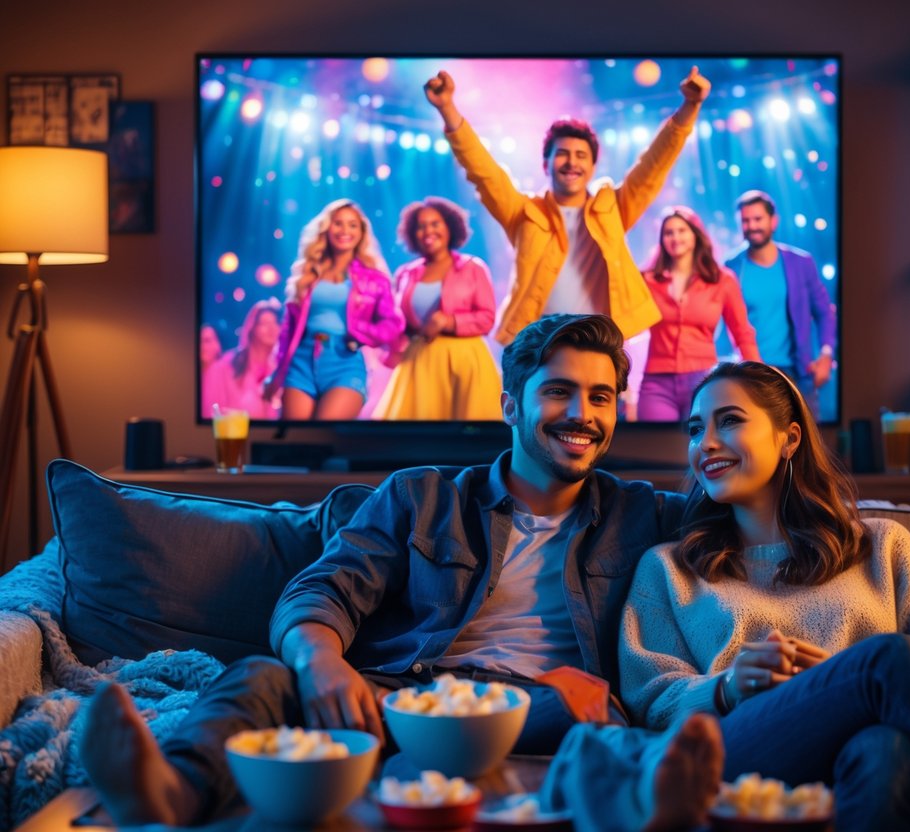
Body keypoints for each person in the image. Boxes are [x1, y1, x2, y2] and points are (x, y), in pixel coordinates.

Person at [79, 313, 721, 831]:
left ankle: (647, 809)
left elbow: (763, 521)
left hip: (543, 708)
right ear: (510, 405)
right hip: (404, 700)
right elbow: (322, 588)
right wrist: (320, 662)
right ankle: (169, 794)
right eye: (558, 391)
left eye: (600, 397)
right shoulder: (422, 496)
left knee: (595, 714)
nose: (582, 412)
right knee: (264, 677)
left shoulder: (644, 513)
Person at [618, 361, 910, 832]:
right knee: (884, 659)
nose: (705, 443)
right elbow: (649, 701)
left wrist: (844, 687)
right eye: (695, 429)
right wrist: (728, 687)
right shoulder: (668, 568)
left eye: (729, 421)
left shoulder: (882, 546)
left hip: (866, 742)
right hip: (736, 748)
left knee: (884, 747)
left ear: (789, 438)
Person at [423, 65, 710, 346]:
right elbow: (483, 172)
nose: (572, 162)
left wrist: (690, 106)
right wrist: (447, 107)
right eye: (562, 154)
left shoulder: (613, 208)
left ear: (593, 165)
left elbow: (654, 166)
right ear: (545, 164)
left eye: (581, 155)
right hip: (539, 342)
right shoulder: (523, 212)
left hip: (599, 340)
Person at [264, 199, 403, 420]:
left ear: (361, 232)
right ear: (327, 228)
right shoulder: (308, 274)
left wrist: (360, 332)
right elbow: (288, 331)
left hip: (344, 361)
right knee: (298, 441)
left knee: (325, 434)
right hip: (301, 361)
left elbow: (392, 325)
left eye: (352, 224)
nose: (344, 230)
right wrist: (278, 373)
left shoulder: (375, 279)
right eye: (338, 223)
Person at [374, 196, 502, 421]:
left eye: (435, 224)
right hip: (419, 362)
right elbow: (397, 322)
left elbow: (487, 318)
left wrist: (448, 321)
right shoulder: (406, 274)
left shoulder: (473, 268)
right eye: (421, 226)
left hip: (466, 362)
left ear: (450, 227)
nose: (428, 231)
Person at [637, 205, 759, 422]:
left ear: (695, 234)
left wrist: (759, 380)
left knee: (698, 447)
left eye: (682, 230)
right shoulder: (647, 280)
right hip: (656, 383)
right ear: (662, 239)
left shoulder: (723, 280)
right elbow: (625, 323)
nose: (675, 237)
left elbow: (742, 334)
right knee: (653, 445)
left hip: (703, 381)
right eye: (669, 232)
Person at [722, 190, 837, 418]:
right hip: (752, 374)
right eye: (745, 220)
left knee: (804, 445)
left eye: (758, 219)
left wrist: (826, 355)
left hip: (798, 374)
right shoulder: (731, 267)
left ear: (773, 221)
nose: (752, 225)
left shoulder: (800, 263)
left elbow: (825, 312)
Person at [201, 299, 282, 420]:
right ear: (252, 328)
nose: (272, 328)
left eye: (275, 323)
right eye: (264, 323)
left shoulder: (279, 369)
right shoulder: (226, 365)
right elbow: (211, 413)